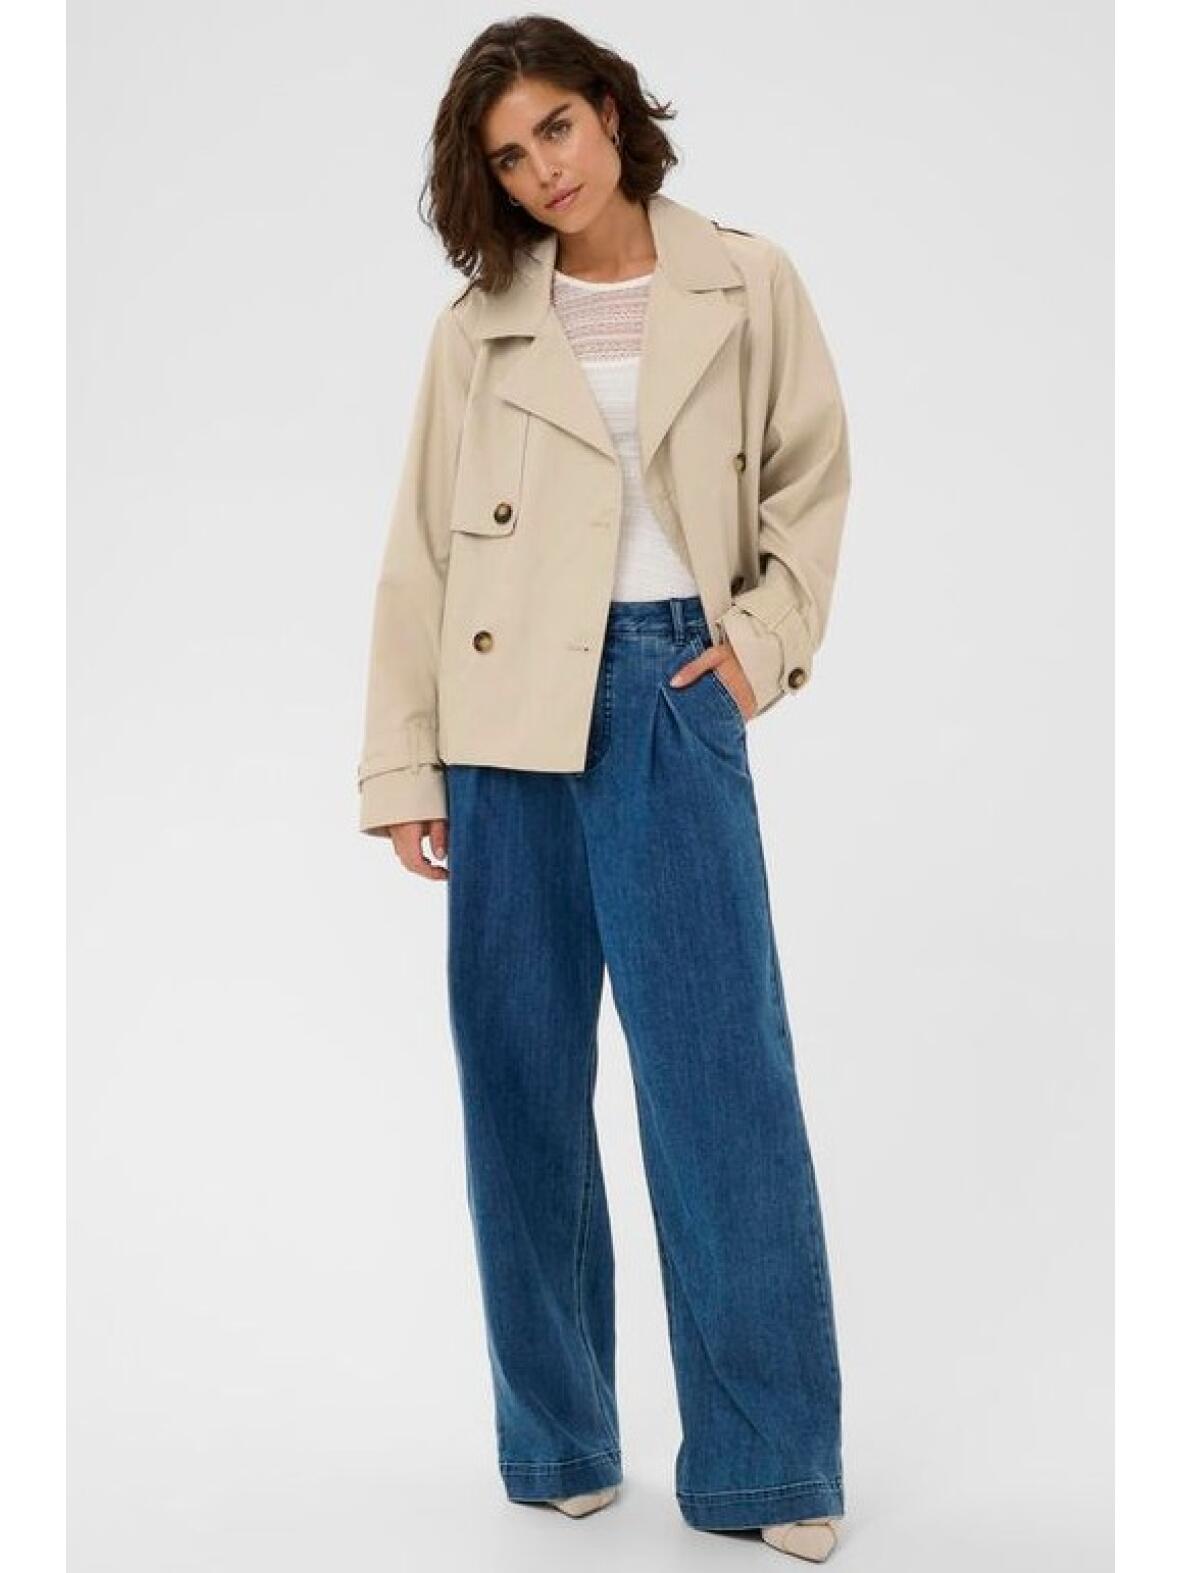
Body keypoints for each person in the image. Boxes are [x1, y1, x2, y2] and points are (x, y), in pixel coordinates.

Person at [355, 15, 851, 1563]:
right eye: (509, 156)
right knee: (520, 1088)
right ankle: (560, 1433)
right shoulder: (478, 326)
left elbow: (811, 478)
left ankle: (768, 1458)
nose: (541, 171)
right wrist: (406, 759)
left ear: (615, 113)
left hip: (669, 690)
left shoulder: (747, 279)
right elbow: (420, 549)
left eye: (556, 128)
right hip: (504, 717)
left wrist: (758, 647)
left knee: (721, 1085)